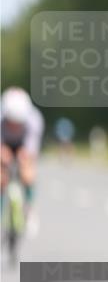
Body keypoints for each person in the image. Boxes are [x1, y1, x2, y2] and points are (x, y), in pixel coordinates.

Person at [1, 87, 45, 221]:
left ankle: (29, 206)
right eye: (11, 123)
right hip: (4, 142)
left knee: (27, 173)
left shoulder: (35, 120)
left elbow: (32, 148)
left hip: (23, 144)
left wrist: (25, 155)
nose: (14, 126)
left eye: (18, 123)